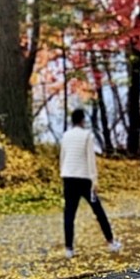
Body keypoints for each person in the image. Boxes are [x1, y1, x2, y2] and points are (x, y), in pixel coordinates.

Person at [59, 107, 121, 258]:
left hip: (68, 176)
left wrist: (63, 173)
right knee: (98, 211)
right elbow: (90, 159)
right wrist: (95, 180)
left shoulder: (66, 135)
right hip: (84, 178)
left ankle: (69, 248)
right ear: (82, 120)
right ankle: (111, 242)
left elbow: (62, 157)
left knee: (69, 214)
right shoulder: (87, 135)